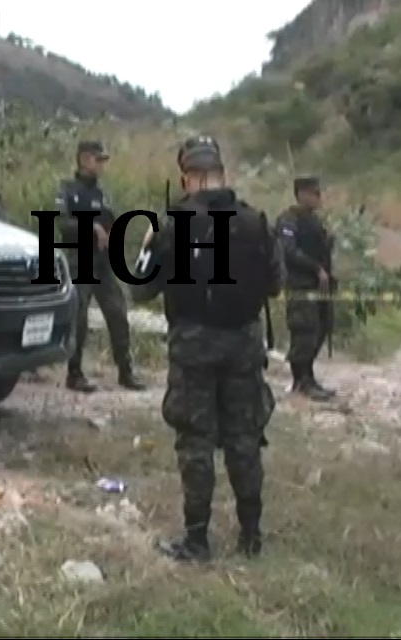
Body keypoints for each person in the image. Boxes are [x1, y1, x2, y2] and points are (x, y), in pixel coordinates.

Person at [129, 135, 283, 562]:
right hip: (244, 345)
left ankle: (197, 540)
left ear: (186, 177)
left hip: (193, 347)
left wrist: (146, 247)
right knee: (244, 437)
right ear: (221, 173)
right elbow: (275, 283)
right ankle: (251, 534)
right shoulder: (256, 222)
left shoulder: (171, 226)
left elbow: (140, 290)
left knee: (196, 442)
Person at [55, 140, 142, 393]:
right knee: (79, 318)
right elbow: (63, 224)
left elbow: (111, 220)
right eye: (97, 159)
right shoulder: (67, 189)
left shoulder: (102, 193)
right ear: (84, 159)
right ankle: (74, 373)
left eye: (103, 160)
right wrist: (91, 228)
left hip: (103, 262)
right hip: (80, 260)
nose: (102, 165)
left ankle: (125, 372)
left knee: (117, 312)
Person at [274, 176, 337, 401]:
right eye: (314, 193)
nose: (318, 198)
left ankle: (308, 377)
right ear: (301, 194)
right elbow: (289, 250)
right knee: (304, 331)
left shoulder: (314, 221)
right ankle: (300, 380)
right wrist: (315, 268)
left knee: (320, 328)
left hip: (318, 286)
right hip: (300, 284)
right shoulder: (289, 220)